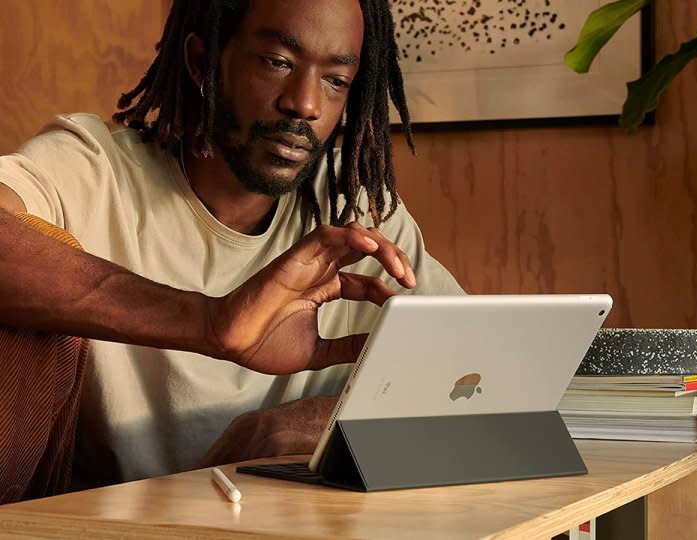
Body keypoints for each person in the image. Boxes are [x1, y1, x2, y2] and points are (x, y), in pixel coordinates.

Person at [0, 0, 463, 495]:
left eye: (335, 81)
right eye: (277, 62)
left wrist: (319, 423)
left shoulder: (360, 210)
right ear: (203, 62)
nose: (305, 104)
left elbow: (478, 376)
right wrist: (210, 323)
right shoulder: (93, 172)